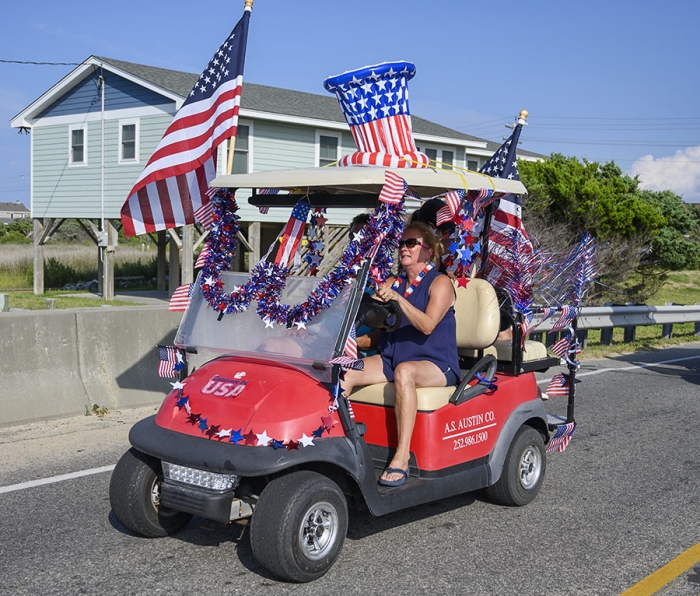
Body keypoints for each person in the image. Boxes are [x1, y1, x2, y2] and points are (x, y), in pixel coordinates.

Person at [341, 222, 461, 487]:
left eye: (411, 243)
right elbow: (378, 322)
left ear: (428, 251)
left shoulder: (440, 283)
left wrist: (397, 298)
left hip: (435, 363)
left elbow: (427, 325)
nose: (403, 248)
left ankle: (402, 456)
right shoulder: (395, 281)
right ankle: (341, 445)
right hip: (392, 357)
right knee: (344, 370)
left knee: (404, 372)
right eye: (402, 243)